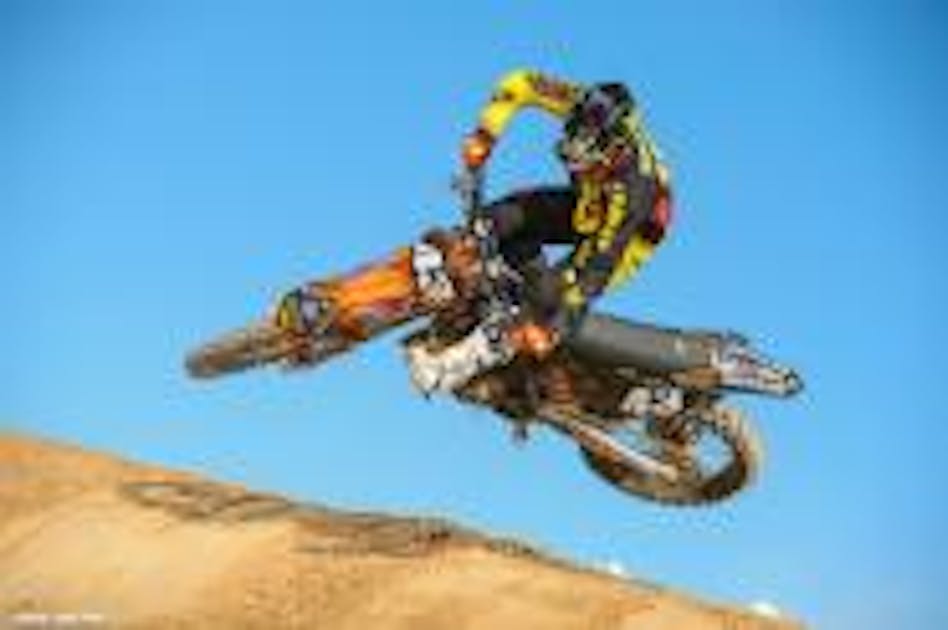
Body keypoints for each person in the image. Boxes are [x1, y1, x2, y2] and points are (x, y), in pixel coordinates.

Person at [407, 69, 673, 397]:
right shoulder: (578, 101)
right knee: (501, 217)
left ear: (612, 146)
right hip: (589, 201)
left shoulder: (633, 188)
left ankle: (450, 369)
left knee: (552, 302)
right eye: (573, 135)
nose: (573, 150)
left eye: (584, 147)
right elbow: (521, 83)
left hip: (626, 238)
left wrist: (558, 321)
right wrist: (485, 134)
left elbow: (600, 264)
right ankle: (495, 281)